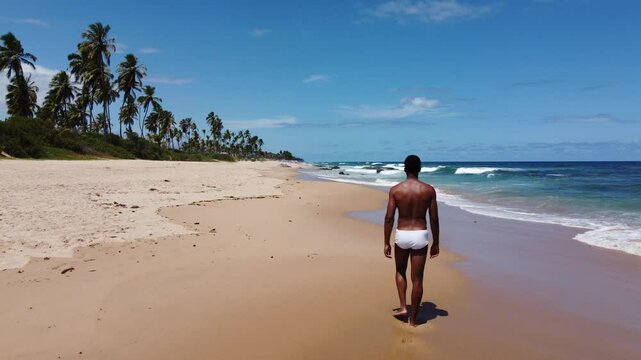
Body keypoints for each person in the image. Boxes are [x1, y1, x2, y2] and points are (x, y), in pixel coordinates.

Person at [384, 154, 440, 327]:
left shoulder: (396, 190)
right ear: (420, 169)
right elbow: (434, 219)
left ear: (404, 169)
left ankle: (403, 307)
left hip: (402, 234)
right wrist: (436, 242)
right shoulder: (428, 190)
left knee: (400, 271)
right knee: (418, 279)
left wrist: (386, 241)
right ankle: (413, 320)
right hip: (420, 234)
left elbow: (389, 217)